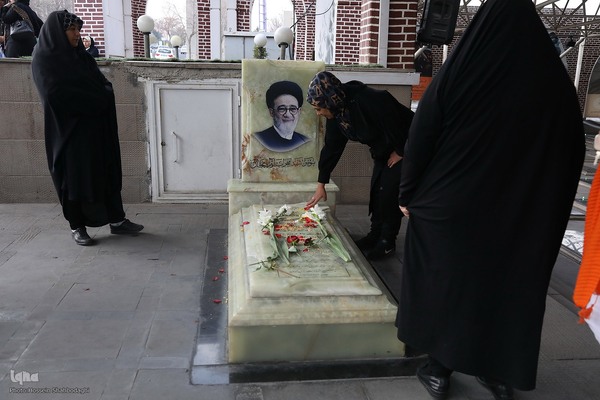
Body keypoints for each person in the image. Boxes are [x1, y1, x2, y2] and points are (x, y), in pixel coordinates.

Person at [396, 0, 585, 399]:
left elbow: (423, 133)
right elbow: (572, 147)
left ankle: (439, 368)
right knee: (503, 287)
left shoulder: (463, 67)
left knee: (448, 283)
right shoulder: (552, 80)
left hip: (453, 206)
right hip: (520, 214)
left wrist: (408, 192)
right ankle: (496, 369)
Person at [31, 10, 143, 246]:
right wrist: (95, 98)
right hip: (69, 133)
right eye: (71, 30)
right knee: (73, 179)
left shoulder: (81, 57)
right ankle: (77, 226)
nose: (77, 34)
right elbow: (54, 94)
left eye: (78, 29)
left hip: (95, 129)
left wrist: (100, 95)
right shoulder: (45, 59)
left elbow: (103, 85)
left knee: (106, 171)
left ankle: (117, 220)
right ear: (57, 33)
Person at [305, 71, 414, 260]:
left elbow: (401, 122)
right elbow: (332, 147)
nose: (318, 113)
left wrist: (401, 150)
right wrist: (321, 183)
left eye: (319, 108)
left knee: (389, 192)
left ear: (330, 101)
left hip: (405, 144)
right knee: (377, 191)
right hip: (383, 150)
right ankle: (374, 235)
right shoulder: (337, 113)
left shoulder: (369, 100)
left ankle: (387, 242)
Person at [254, 80, 311, 152]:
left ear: (299, 111)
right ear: (271, 112)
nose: (288, 114)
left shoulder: (303, 141)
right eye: (282, 109)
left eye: (293, 109)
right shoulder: (259, 139)